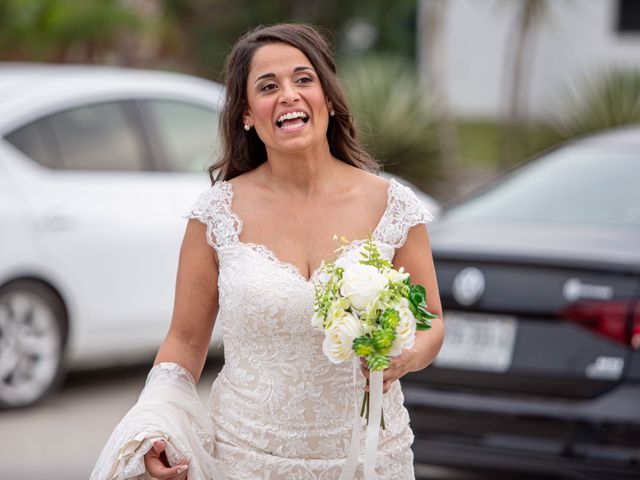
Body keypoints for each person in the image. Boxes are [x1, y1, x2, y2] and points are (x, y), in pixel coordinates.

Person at [91, 23, 444, 480]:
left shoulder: (392, 204)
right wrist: (154, 429)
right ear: (246, 113)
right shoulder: (215, 214)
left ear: (330, 98)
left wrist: (405, 356)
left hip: (372, 459)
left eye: (303, 79)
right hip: (246, 460)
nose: (289, 96)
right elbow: (184, 343)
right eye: (267, 86)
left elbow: (430, 319)